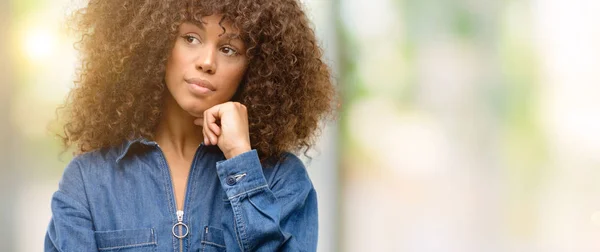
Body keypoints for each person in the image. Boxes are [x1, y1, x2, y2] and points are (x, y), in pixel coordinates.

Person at [44, 0, 335, 251]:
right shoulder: (89, 181)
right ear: (156, 42)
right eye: (191, 38)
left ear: (256, 67)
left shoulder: (281, 180)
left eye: (229, 49)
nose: (207, 62)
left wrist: (241, 163)